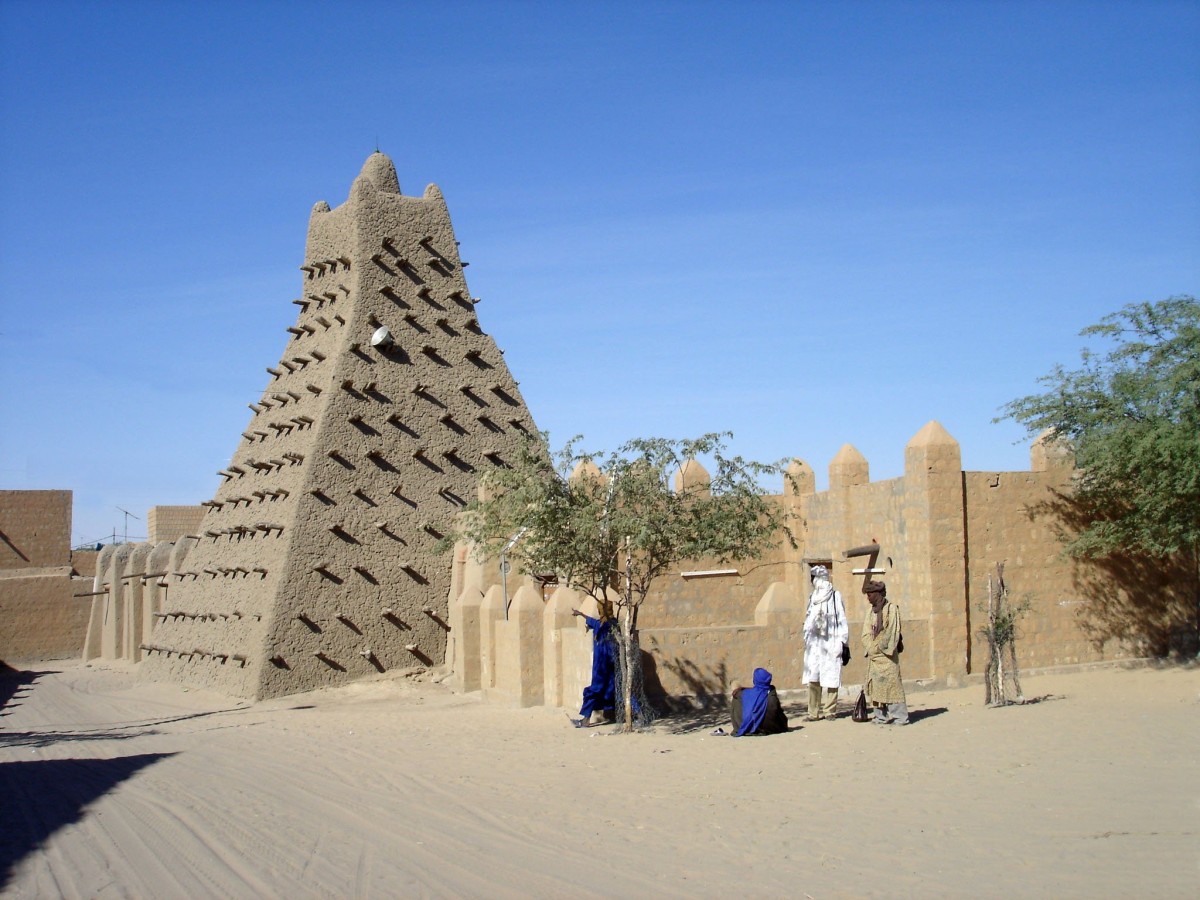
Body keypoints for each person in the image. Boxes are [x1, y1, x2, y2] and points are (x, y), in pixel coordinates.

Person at [803, 564, 849, 720]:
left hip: (831, 641)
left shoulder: (835, 596)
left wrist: (843, 641)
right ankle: (813, 712)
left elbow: (841, 619)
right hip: (815, 643)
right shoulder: (812, 597)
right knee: (813, 677)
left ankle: (830, 711)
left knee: (831, 676)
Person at [860, 580, 909, 725]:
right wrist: (870, 647)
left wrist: (878, 647)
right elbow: (866, 632)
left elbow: (892, 631)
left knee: (893, 686)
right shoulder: (870, 612)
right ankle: (880, 716)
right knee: (876, 687)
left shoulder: (892, 609)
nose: (868, 598)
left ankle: (900, 717)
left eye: (870, 595)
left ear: (877, 594)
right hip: (874, 657)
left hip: (887, 657)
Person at [571, 603, 616, 727]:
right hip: (601, 666)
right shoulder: (599, 624)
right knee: (600, 691)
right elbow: (590, 620)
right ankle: (585, 719)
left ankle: (585, 720)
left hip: (607, 666)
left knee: (597, 691)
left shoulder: (612, 626)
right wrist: (580, 614)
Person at [731, 667, 789, 736]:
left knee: (736, 698)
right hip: (770, 727)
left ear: (755, 680)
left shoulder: (743, 694)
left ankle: (739, 727)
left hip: (745, 726)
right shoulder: (771, 695)